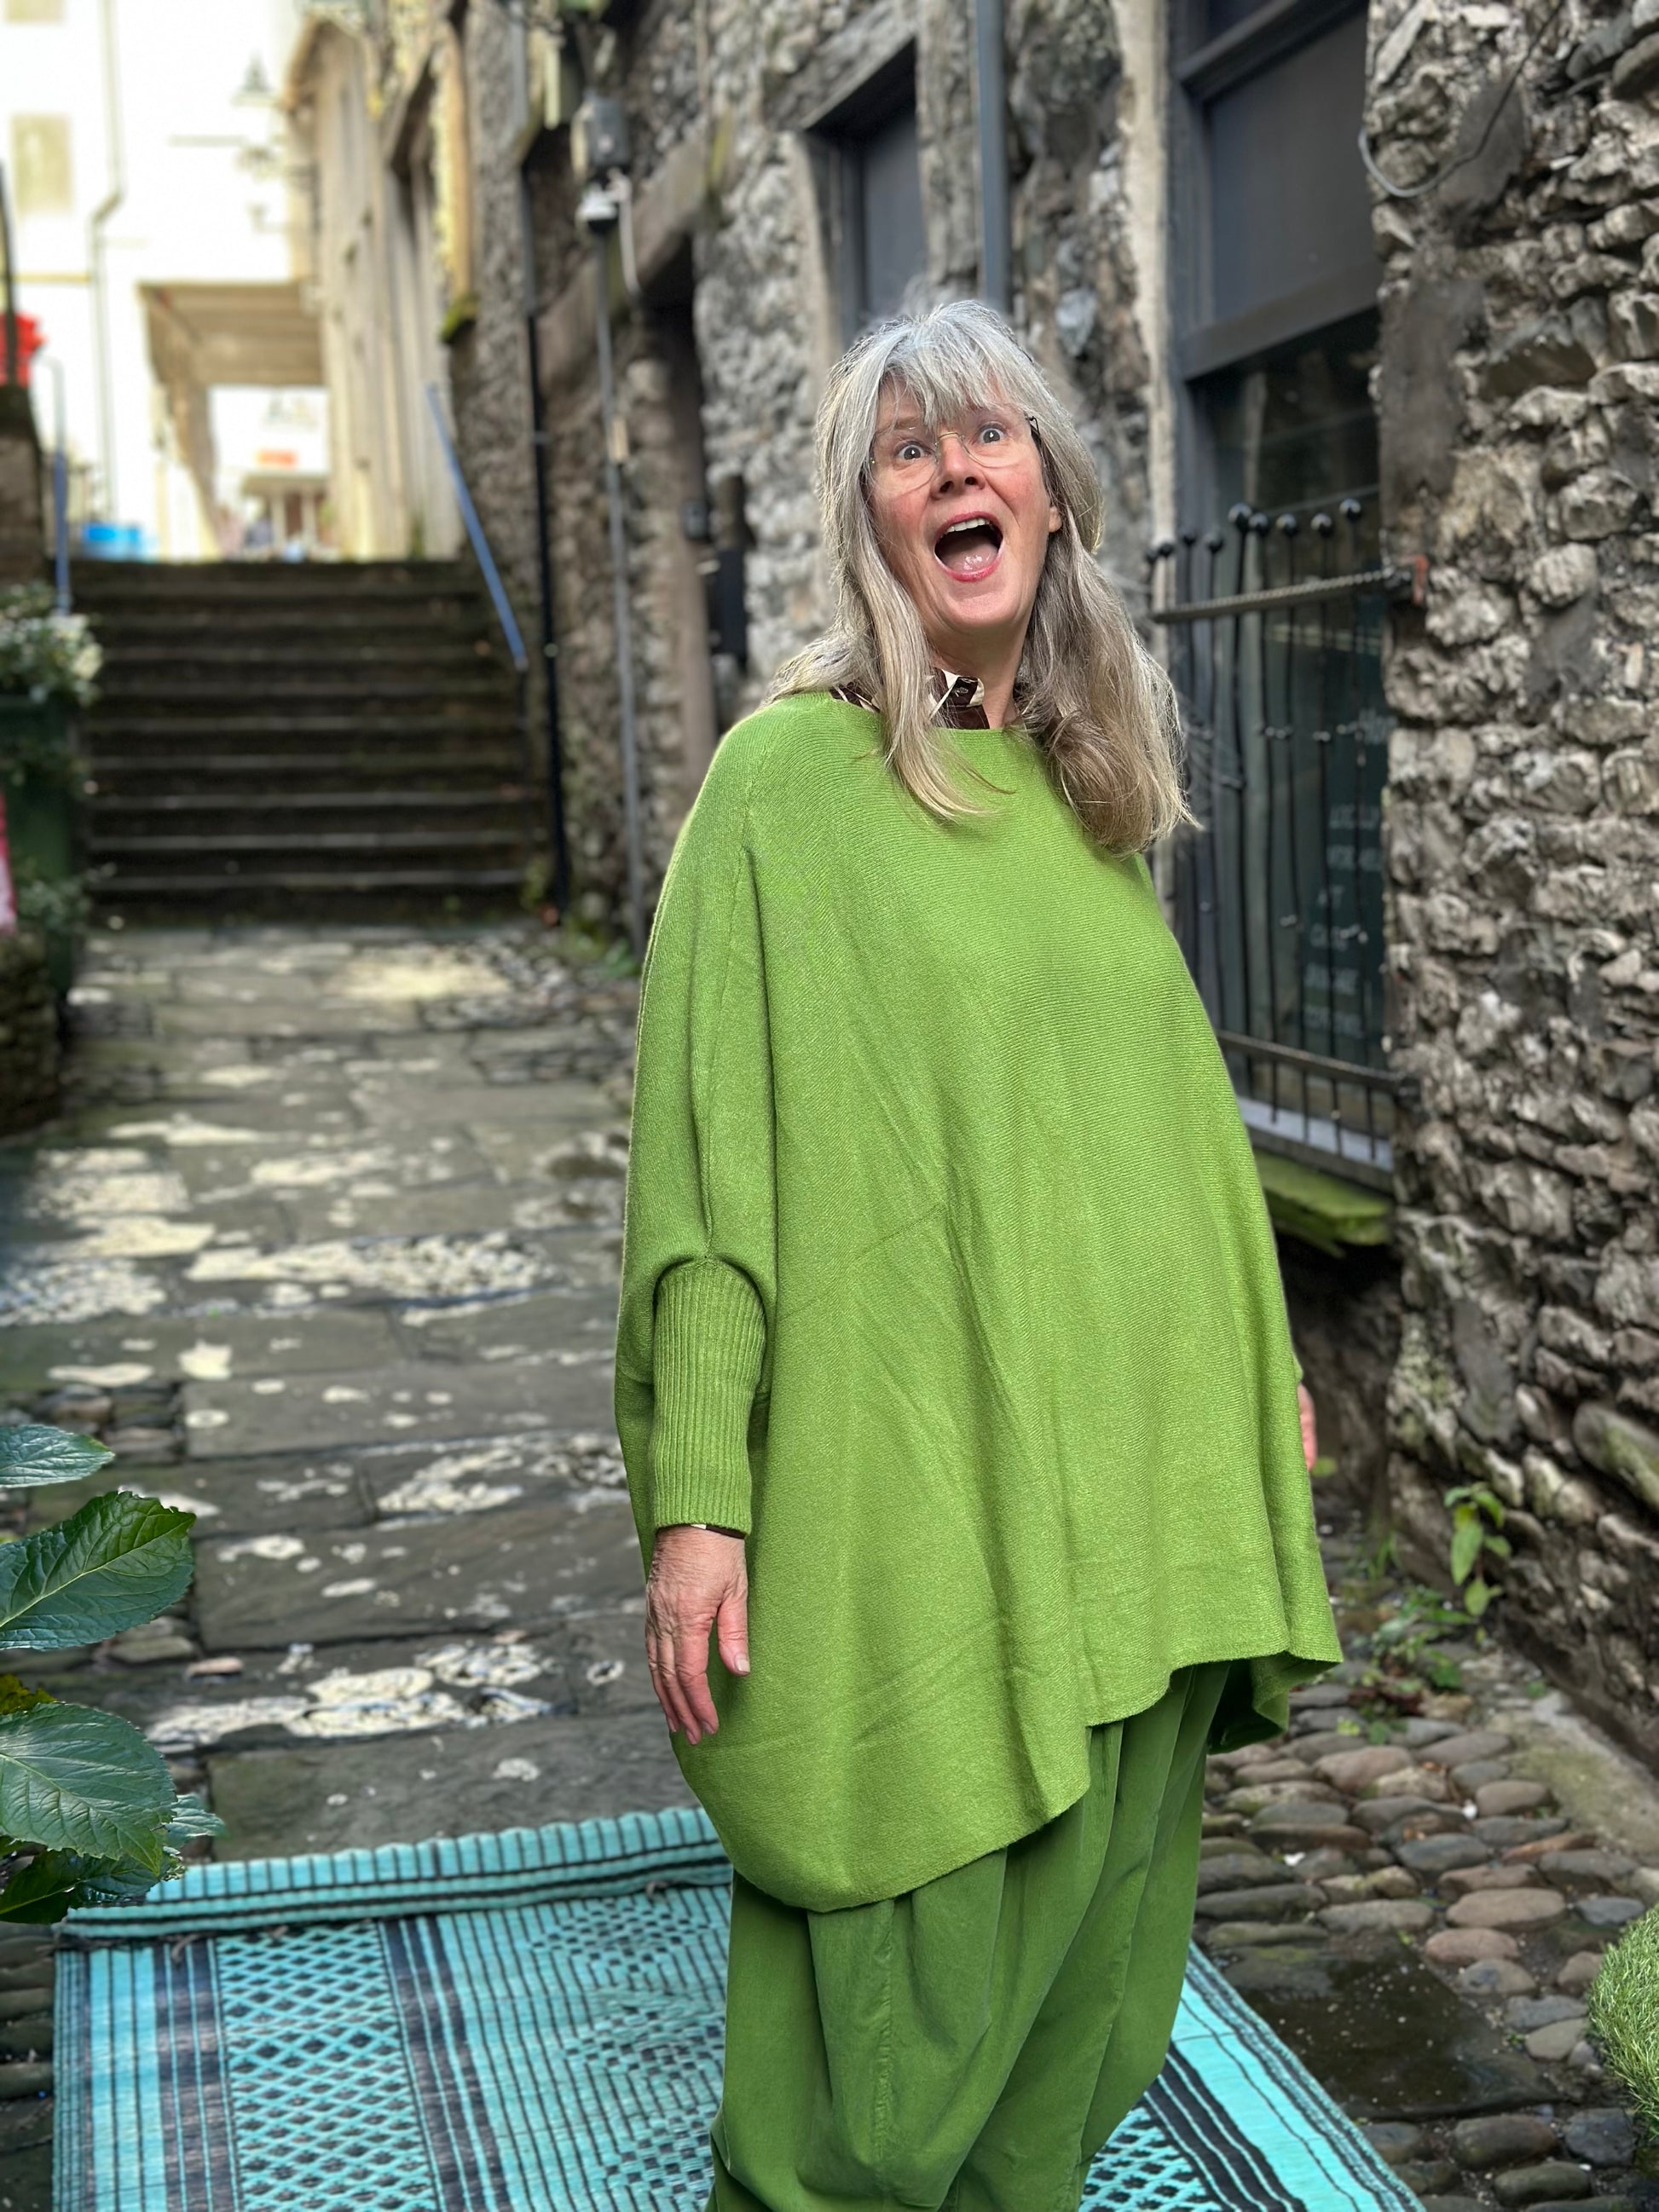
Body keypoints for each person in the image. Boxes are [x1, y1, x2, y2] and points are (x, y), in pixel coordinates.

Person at [615, 298, 1340, 2212]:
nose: (956, 468)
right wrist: (698, 1492)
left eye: (990, 435)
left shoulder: (1089, 801)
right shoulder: (784, 788)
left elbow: (1159, 1125)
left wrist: (1256, 1367)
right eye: (908, 446)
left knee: (1090, 2005)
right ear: (872, 514)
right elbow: (706, 1170)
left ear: (1052, 492)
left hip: (1143, 1481)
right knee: (883, 2032)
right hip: (918, 1482)